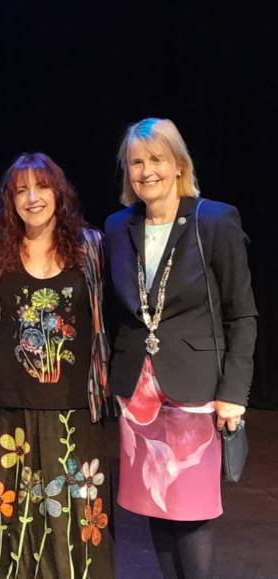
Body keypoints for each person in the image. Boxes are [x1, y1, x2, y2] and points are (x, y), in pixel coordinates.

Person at [105, 118, 257, 578]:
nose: (146, 171)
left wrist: (234, 392)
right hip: (140, 392)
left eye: (156, 159)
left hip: (196, 391)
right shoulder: (118, 226)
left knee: (191, 512)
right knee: (155, 506)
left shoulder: (214, 220)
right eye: (136, 162)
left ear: (178, 165)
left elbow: (241, 314)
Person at [0, 153, 113, 578]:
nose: (32, 198)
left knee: (79, 513)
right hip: (16, 405)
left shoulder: (91, 246)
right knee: (21, 517)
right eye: (20, 190)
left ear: (58, 193)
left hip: (77, 404)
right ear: (10, 201)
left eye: (41, 187)